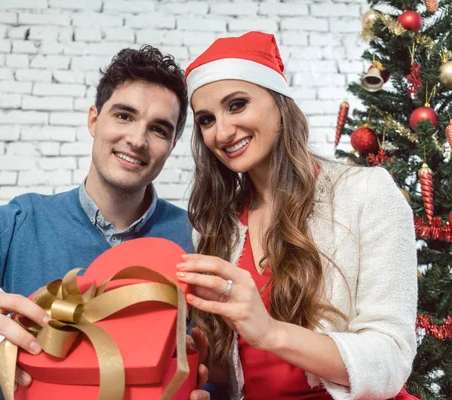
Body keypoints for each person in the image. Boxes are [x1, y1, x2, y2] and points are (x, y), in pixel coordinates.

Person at [0, 45, 210, 400]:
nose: (137, 140)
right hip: (31, 389)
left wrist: (198, 384)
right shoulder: (22, 222)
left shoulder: (198, 239)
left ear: (172, 145)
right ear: (94, 120)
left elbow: (222, 363)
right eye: (124, 116)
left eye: (158, 129)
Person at [174, 31, 419, 400]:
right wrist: (200, 357)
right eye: (206, 120)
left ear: (279, 102)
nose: (222, 132)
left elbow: (391, 358)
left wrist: (270, 332)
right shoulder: (217, 227)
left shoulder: (365, 193)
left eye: (237, 105)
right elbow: (247, 369)